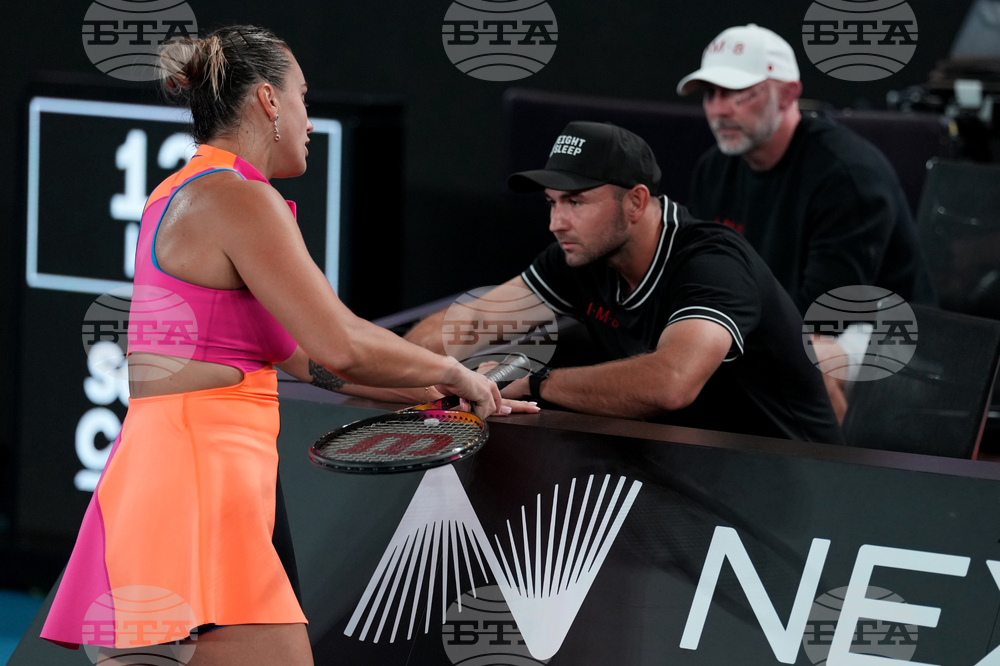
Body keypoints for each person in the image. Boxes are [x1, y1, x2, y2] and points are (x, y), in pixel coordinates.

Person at [40, 26, 535, 666]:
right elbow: (341, 342)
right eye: (304, 95)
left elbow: (310, 361)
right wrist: (452, 369)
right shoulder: (237, 198)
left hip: (194, 472)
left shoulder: (197, 189)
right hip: (197, 477)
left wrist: (441, 394)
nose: (309, 116)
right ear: (269, 102)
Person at [406, 121, 844, 445]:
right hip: (693, 460)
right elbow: (462, 324)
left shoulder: (711, 262)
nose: (557, 223)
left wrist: (533, 382)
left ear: (635, 201)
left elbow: (671, 382)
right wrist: (434, 377)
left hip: (794, 471)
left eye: (576, 201)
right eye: (552, 203)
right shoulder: (578, 254)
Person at [677, 23, 934, 420]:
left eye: (739, 94)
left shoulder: (847, 174)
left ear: (789, 94)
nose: (719, 109)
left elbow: (826, 315)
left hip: (887, 332)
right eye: (710, 94)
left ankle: (835, 474)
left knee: (808, 356)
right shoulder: (714, 168)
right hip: (779, 320)